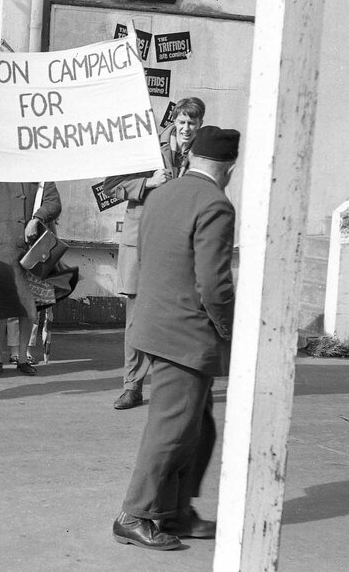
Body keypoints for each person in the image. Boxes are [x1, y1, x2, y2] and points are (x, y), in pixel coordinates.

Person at [112, 125, 238, 551]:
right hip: (186, 334)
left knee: (197, 429)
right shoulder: (216, 204)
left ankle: (177, 510)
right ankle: (135, 513)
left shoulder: (161, 194)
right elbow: (215, 285)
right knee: (173, 430)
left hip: (154, 324)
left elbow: (147, 256)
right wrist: (229, 332)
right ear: (228, 169)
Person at [104, 97, 206, 410]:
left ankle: (168, 387)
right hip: (141, 243)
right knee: (136, 319)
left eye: (192, 123)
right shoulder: (147, 146)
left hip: (177, 245)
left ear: (199, 124)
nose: (186, 128)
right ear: (173, 120)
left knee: (173, 319)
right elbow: (112, 187)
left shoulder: (201, 156)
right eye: (182, 121)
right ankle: (132, 387)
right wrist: (148, 181)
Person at [0, 181, 61, 376]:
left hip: (33, 252)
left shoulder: (42, 176)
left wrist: (36, 218)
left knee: (27, 306)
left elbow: (54, 203)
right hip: (1, 251)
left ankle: (22, 358)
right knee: (0, 306)